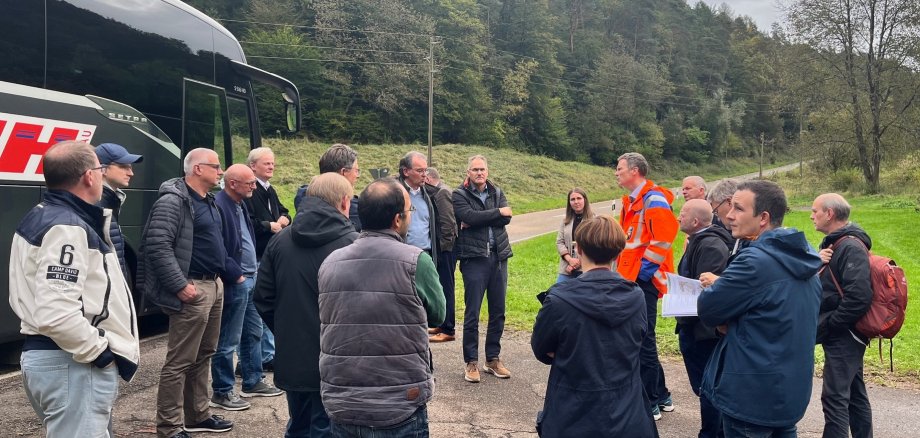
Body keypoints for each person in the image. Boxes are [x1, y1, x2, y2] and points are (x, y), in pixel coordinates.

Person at [10, 141, 140, 437]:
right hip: (72, 364)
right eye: (99, 169)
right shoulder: (68, 228)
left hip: (57, 360)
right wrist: (100, 353)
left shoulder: (41, 214)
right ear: (89, 176)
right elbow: (56, 313)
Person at [317, 178, 445, 437]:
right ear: (397, 220)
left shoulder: (330, 262)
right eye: (409, 212)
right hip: (401, 400)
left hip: (342, 400)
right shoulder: (416, 261)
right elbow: (439, 315)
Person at [697, 180, 822, 438]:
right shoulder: (803, 257)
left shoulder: (755, 261)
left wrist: (730, 321)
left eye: (739, 209)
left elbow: (708, 309)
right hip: (788, 392)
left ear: (763, 217)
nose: (729, 216)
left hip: (751, 395)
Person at [531, 215, 658, 438]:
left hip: (572, 413)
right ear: (619, 252)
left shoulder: (559, 300)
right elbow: (637, 339)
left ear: (577, 249)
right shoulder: (636, 295)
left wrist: (568, 350)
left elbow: (542, 349)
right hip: (627, 413)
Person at [255, 173, 359, 438]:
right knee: (330, 427)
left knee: (299, 424)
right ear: (345, 203)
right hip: (339, 357)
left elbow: (263, 298)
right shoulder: (353, 245)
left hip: (294, 355)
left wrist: (288, 330)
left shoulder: (280, 240)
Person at [139, 148, 232, 438]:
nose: (221, 172)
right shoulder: (173, 201)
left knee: (204, 354)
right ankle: (168, 427)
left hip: (213, 285)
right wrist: (180, 285)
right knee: (179, 361)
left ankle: (197, 415)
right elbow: (157, 245)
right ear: (197, 169)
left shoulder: (210, 201)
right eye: (216, 166)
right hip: (192, 288)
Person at [211, 164, 283, 413]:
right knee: (228, 339)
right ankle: (222, 391)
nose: (254, 186)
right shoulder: (220, 206)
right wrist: (237, 275)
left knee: (253, 333)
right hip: (238, 281)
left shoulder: (240, 204)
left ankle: (253, 380)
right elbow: (217, 246)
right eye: (249, 182)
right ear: (233, 184)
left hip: (251, 276)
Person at [614, 152, 678, 420]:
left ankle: (650, 401)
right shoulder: (633, 201)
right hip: (634, 278)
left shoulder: (653, 198)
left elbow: (664, 238)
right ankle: (661, 395)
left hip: (644, 280)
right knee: (643, 338)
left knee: (642, 341)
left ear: (635, 170)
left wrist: (641, 273)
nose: (616, 173)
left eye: (619, 168)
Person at [811, 193, 873, 438]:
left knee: (835, 396)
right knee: (854, 394)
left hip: (845, 334)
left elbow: (859, 297)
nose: (811, 215)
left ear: (830, 214)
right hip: (843, 331)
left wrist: (830, 325)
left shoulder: (849, 246)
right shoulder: (833, 244)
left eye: (815, 211)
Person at [674, 199, 732, 438]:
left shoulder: (710, 246)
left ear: (696, 221)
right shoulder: (697, 241)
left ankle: (712, 433)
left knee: (710, 390)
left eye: (682, 213)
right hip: (693, 328)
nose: (678, 217)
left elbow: (707, 292)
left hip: (704, 333)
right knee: (704, 389)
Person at [454, 155, 513, 383]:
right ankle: (471, 362)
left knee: (498, 311)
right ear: (468, 172)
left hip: (499, 257)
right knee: (473, 313)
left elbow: (507, 219)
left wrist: (479, 219)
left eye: (483, 169)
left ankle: (492, 359)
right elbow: (467, 215)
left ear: (487, 171)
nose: (479, 173)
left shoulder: (497, 192)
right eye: (475, 169)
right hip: (473, 259)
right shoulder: (459, 195)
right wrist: (497, 213)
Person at [244, 147, 290, 373]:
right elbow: (248, 221)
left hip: (270, 254)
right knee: (257, 309)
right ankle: (259, 358)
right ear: (253, 166)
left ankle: (268, 354)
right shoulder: (250, 192)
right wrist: (269, 225)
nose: (272, 167)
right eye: (266, 164)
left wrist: (284, 217)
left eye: (273, 163)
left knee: (269, 304)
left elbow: (284, 210)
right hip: (257, 254)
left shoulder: (269, 189)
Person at [94, 142, 143, 277]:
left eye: (131, 167)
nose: (131, 173)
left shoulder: (109, 199)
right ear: (103, 169)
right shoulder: (98, 204)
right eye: (123, 167)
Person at [294, 143, 361, 231]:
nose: (358, 175)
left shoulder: (304, 199)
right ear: (344, 172)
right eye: (356, 170)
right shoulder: (360, 211)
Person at [425, 167, 459, 343]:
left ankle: (448, 329)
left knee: (447, 286)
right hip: (443, 248)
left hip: (447, 249)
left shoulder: (442, 193)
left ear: (429, 179)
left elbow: (448, 223)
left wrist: (444, 248)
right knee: (442, 285)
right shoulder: (440, 191)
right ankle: (442, 323)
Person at [397, 151, 438, 266]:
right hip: (402, 256)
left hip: (425, 255)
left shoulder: (431, 196)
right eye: (419, 171)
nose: (424, 174)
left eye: (425, 170)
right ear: (406, 171)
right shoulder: (395, 194)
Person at [555, 187, 595, 283]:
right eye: (573, 199)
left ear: (585, 200)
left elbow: (595, 245)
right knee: (557, 294)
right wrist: (570, 260)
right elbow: (559, 242)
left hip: (586, 269)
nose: (576, 202)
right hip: (567, 269)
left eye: (579, 198)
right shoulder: (565, 221)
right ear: (569, 202)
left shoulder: (594, 220)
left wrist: (577, 262)